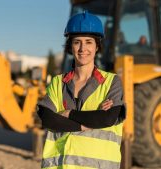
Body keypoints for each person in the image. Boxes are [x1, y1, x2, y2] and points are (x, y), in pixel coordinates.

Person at [37, 11, 126, 169]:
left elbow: (107, 119)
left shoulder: (111, 82)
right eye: (77, 42)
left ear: (97, 46)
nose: (83, 48)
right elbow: (48, 119)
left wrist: (69, 114)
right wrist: (83, 125)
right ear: (70, 46)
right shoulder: (58, 82)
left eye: (89, 42)